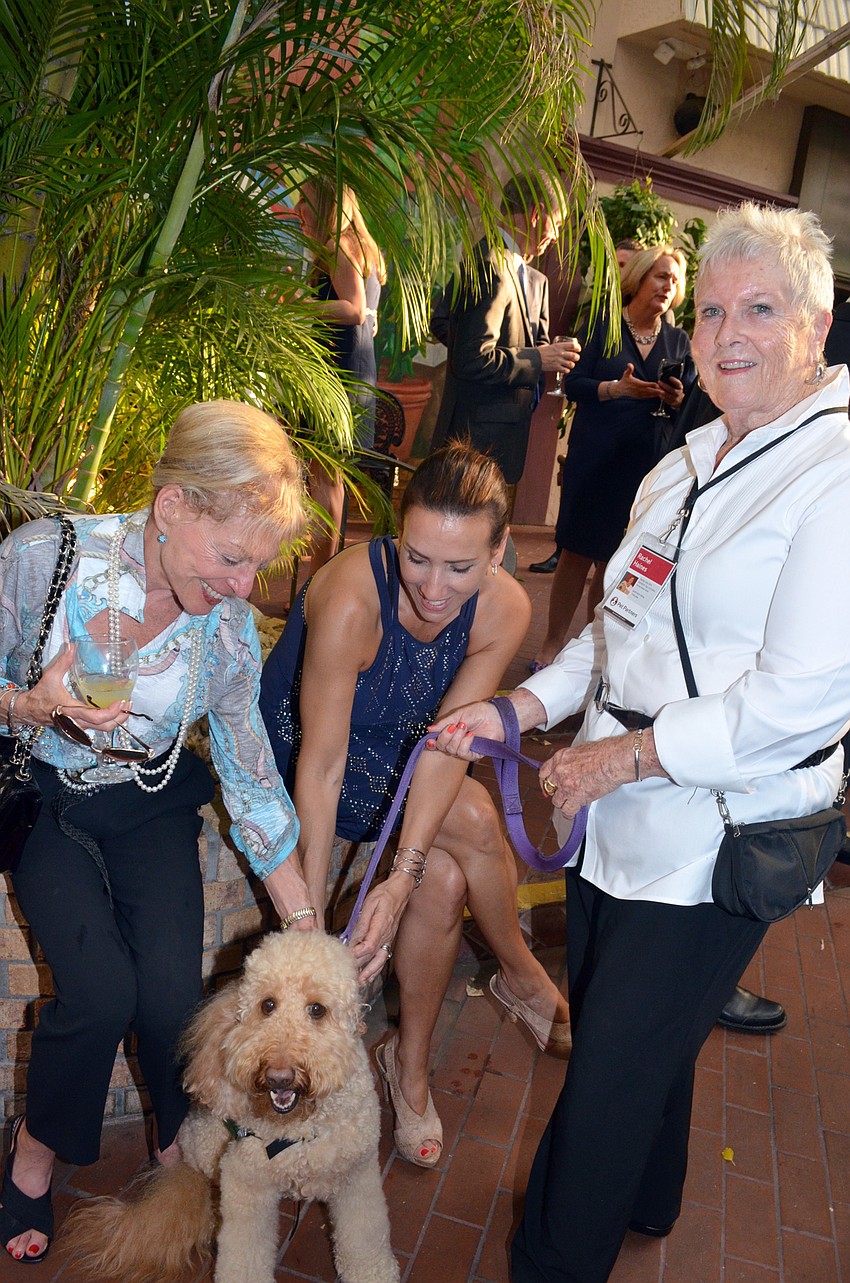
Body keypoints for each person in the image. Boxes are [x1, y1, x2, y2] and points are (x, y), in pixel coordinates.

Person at [428, 203, 850, 1281]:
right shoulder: (683, 459)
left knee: (607, 1066)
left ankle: (548, 1260)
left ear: (816, 322)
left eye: (758, 307)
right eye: (710, 309)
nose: (724, 331)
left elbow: (797, 699)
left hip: (717, 826)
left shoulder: (836, 473)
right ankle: (653, 1195)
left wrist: (620, 757)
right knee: (640, 1032)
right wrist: (519, 711)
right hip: (612, 810)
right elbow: (610, 636)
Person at [0, 401, 315, 1264]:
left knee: (172, 998)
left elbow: (250, 775)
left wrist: (303, 922)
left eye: (259, 562)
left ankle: (177, 1148)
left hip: (150, 799)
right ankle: (34, 1155)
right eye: (232, 557)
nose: (246, 584)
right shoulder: (43, 560)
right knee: (99, 991)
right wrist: (29, 704)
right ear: (172, 506)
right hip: (47, 793)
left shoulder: (227, 634)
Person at [259, 441, 570, 1170]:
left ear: (500, 553)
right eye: (418, 556)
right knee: (470, 820)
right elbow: (323, 760)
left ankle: (411, 1066)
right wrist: (305, 917)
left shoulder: (507, 609)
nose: (434, 586)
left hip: (407, 750)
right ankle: (517, 970)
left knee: (440, 875)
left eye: (461, 566)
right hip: (306, 747)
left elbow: (445, 745)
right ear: (399, 533)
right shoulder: (350, 595)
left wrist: (401, 877)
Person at [531, 244, 693, 671]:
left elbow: (689, 401)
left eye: (674, 280)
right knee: (575, 551)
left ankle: (592, 654)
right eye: (661, 276)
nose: (668, 286)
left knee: (615, 560)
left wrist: (678, 399)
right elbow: (576, 385)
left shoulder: (678, 340)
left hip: (644, 463)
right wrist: (616, 390)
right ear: (639, 277)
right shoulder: (603, 325)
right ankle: (550, 645)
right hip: (596, 454)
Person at [430, 174, 580, 487]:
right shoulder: (490, 265)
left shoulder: (529, 274)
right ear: (537, 214)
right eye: (557, 222)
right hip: (476, 441)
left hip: (501, 436)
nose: (556, 235)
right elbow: (471, 358)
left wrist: (543, 355)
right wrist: (538, 359)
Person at [295, 178, 387, 573]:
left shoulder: (336, 247)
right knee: (329, 480)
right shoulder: (366, 250)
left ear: (325, 207)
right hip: (354, 373)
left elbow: (353, 309)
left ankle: (318, 579)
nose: (298, 209)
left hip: (337, 377)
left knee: (325, 480)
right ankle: (321, 572)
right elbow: (371, 317)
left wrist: (297, 305)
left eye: (305, 202)